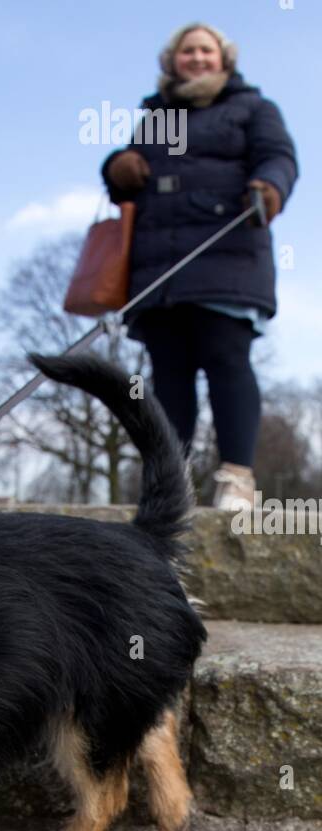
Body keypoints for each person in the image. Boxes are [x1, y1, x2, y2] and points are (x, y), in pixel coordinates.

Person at [102, 22, 298, 510]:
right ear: (173, 61)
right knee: (169, 375)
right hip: (160, 264)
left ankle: (236, 477)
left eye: (205, 50)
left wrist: (269, 188)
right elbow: (128, 176)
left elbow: (278, 158)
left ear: (223, 58)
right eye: (187, 51)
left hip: (227, 251)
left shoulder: (253, 107)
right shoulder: (157, 116)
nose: (196, 58)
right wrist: (117, 167)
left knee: (227, 359)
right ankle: (172, 481)